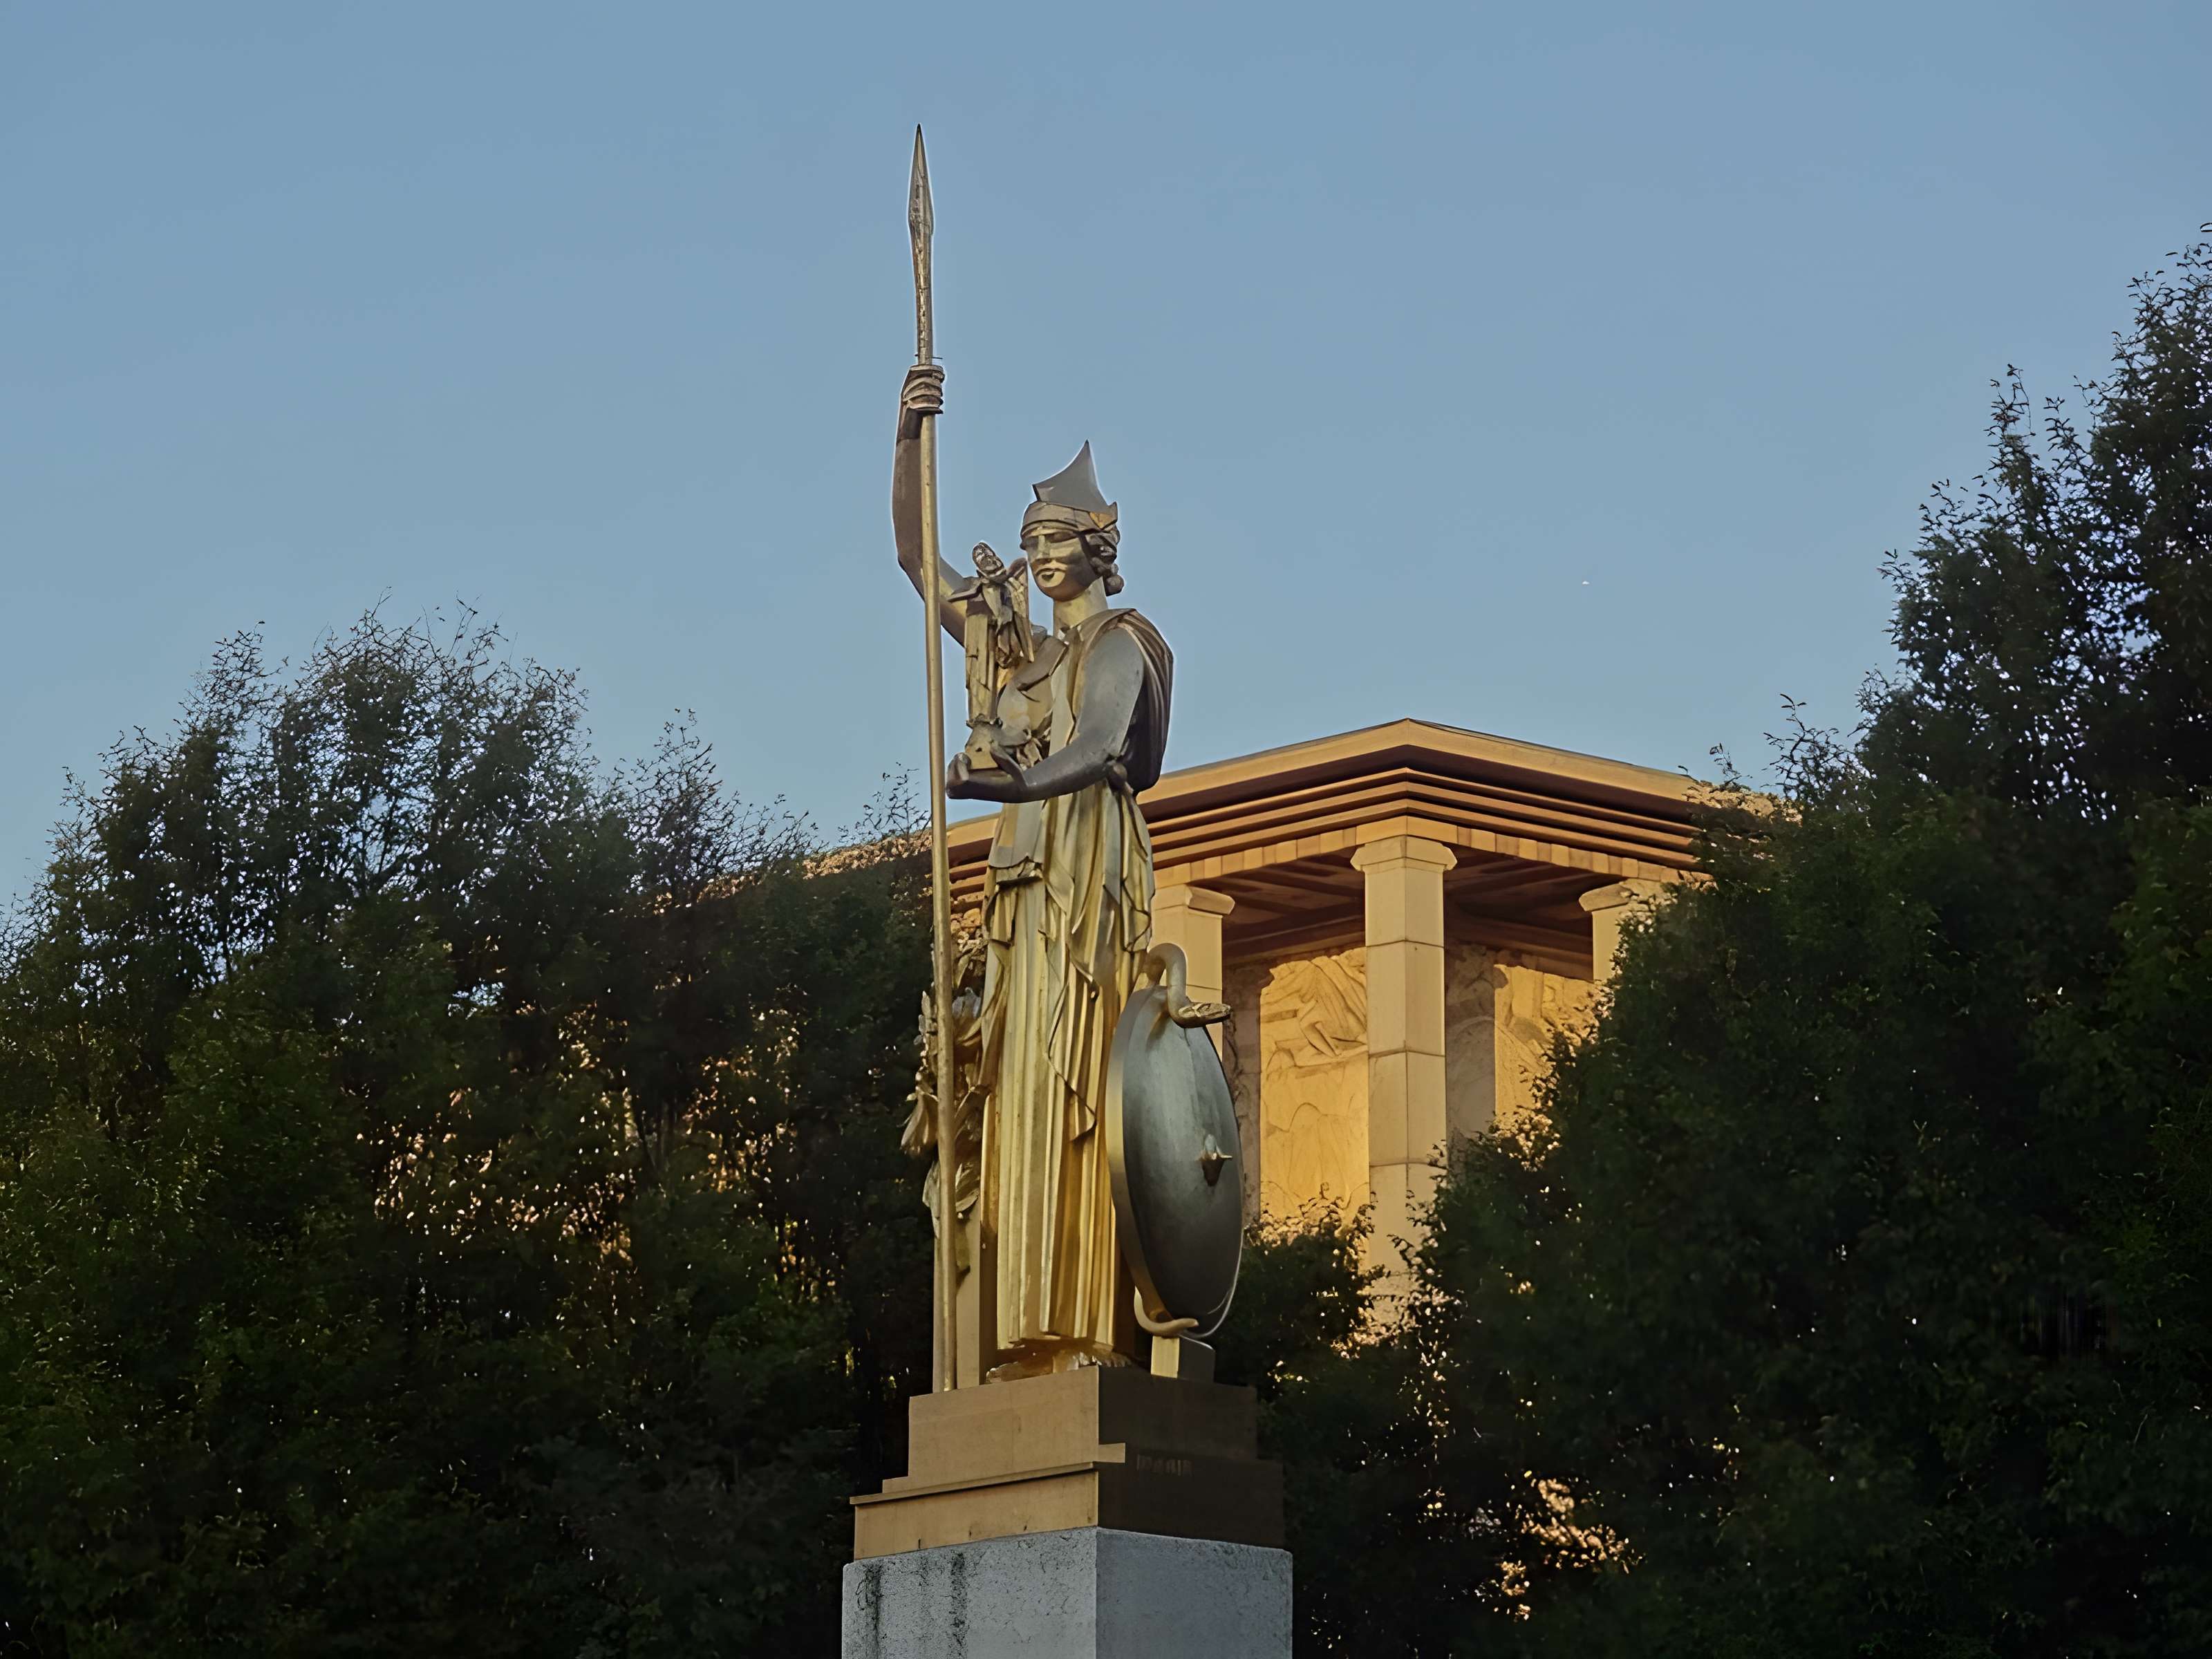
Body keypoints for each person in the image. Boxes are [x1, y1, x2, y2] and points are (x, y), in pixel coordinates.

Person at [892, 364, 1174, 1376]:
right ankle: (1025, 1338)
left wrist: (1000, 790)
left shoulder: (1122, 645)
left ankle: (1088, 1332)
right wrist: (908, 435)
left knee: (1073, 1090)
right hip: (1015, 898)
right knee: (1015, 1100)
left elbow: (1100, 752)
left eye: (1058, 540)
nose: (1041, 556)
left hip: (1080, 874)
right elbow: (918, 563)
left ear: (1098, 548)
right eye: (1032, 542)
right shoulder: (1018, 658)